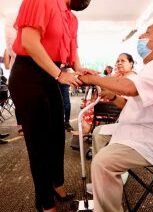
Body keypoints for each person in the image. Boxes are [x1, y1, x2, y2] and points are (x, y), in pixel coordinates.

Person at [79, 18, 153, 212]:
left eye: (147, 32)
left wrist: (93, 78)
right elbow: (133, 102)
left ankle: (107, 197)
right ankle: (104, 186)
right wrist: (112, 97)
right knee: (100, 133)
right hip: (143, 129)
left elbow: (130, 89)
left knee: (103, 163)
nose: (141, 36)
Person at [8, 0, 92, 211]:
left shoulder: (71, 18)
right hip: (29, 74)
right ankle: (44, 202)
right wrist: (59, 74)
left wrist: (80, 69)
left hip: (51, 74)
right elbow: (29, 42)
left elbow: (72, 50)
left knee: (56, 135)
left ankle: (57, 185)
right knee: (39, 142)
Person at [58, 66, 73, 132]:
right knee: (54, 102)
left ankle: (66, 122)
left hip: (64, 80)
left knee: (66, 104)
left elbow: (70, 63)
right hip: (54, 78)